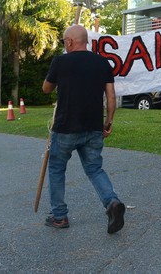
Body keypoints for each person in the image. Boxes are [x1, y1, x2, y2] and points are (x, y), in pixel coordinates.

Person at [42, 24, 126, 233]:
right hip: (93, 127)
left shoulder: (60, 61)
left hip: (65, 128)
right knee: (94, 169)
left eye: (64, 41)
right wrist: (109, 121)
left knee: (56, 169)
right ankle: (112, 203)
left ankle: (59, 216)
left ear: (69, 42)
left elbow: (46, 89)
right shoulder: (102, 63)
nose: (64, 44)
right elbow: (111, 96)